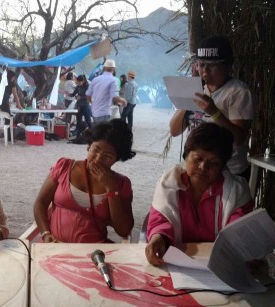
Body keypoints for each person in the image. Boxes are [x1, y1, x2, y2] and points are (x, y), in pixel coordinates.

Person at [145, 123, 253, 266]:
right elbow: (160, 219)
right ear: (186, 155)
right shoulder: (168, 184)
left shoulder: (235, 190)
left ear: (222, 167)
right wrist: (158, 237)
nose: (203, 167)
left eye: (213, 163)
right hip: (177, 262)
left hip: (220, 264)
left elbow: (238, 227)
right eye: (197, 159)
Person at [34, 119, 135, 243]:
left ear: (117, 159)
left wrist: (112, 189)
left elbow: (123, 230)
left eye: (107, 156)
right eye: (96, 150)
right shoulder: (64, 167)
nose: (98, 159)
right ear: (89, 146)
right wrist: (45, 234)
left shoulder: (121, 184)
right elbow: (40, 203)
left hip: (93, 254)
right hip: (53, 247)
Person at [171, 35, 254, 179]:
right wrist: (188, 97)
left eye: (213, 65)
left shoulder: (238, 92)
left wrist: (214, 113)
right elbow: (174, 130)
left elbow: (238, 138)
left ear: (228, 67)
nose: (205, 71)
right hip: (197, 168)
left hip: (228, 172)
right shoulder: (197, 89)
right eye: (201, 65)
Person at [87, 59, 127, 123]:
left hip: (95, 112)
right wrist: (123, 100)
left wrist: (93, 103)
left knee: (97, 131)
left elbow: (88, 95)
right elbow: (114, 96)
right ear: (114, 69)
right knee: (104, 131)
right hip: (104, 112)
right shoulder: (113, 80)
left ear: (104, 68)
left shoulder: (96, 79)